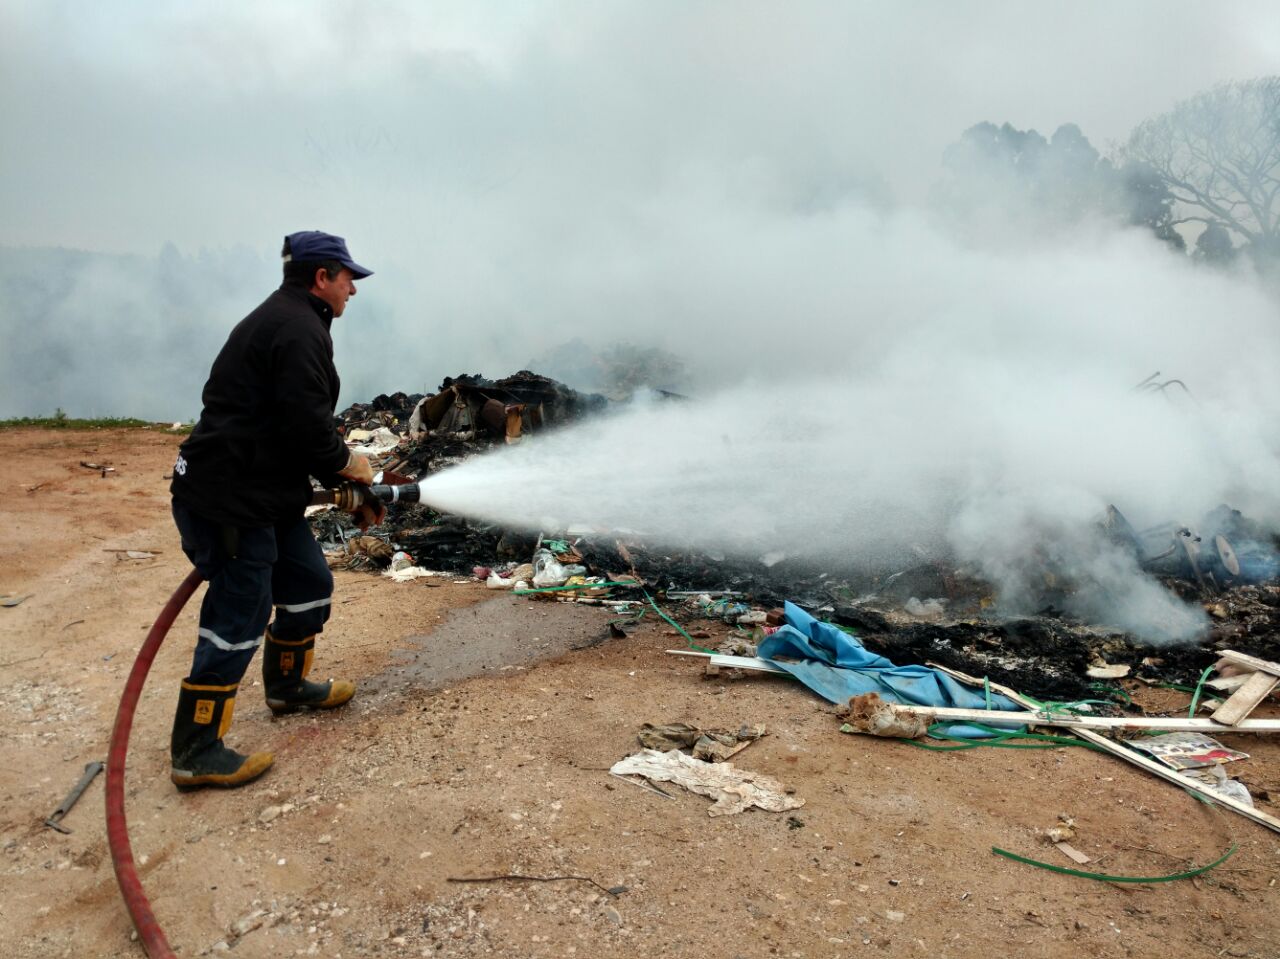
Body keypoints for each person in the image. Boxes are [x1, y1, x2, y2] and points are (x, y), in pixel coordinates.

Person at [167, 231, 386, 790]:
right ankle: (196, 749)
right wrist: (350, 467)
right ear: (321, 277)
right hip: (229, 498)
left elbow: (288, 424)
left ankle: (288, 688)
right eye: (347, 279)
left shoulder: (295, 319)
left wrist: (339, 478)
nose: (352, 292)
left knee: (309, 582)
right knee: (240, 611)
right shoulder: (294, 328)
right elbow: (306, 429)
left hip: (264, 492)